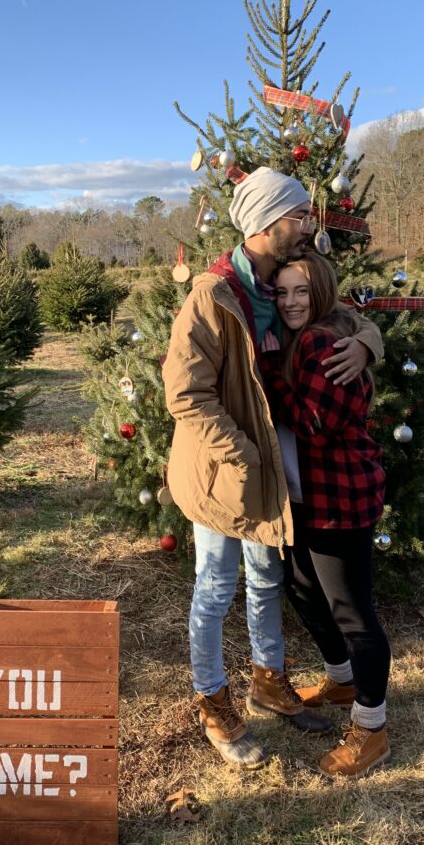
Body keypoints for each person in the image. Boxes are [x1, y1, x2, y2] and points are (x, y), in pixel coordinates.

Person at [162, 167, 384, 769]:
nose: (307, 223)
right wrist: (242, 452)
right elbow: (185, 394)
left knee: (266, 581)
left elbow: (338, 310)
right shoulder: (214, 294)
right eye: (296, 216)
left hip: (272, 473)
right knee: (215, 587)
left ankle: (269, 683)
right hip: (224, 470)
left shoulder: (288, 280)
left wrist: (367, 341)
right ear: (264, 224)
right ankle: (213, 702)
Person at [271, 252, 391, 778]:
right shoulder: (313, 335)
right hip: (308, 496)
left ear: (320, 292)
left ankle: (371, 727)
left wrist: (266, 387)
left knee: (353, 613)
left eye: (301, 291)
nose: (291, 302)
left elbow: (315, 420)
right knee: (299, 586)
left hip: (339, 498)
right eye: (282, 292)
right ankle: (340, 679)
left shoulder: (322, 339)